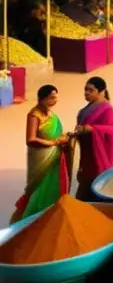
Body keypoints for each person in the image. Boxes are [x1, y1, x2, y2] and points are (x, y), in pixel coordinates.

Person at [12, 85, 72, 222]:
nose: (55, 100)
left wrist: (66, 138)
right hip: (41, 160)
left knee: (53, 188)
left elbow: (56, 134)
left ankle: (51, 218)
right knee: (38, 188)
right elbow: (31, 139)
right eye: (51, 97)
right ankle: (32, 220)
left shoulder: (52, 115)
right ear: (42, 98)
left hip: (55, 159)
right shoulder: (34, 115)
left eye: (56, 97)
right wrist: (55, 142)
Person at [74, 76, 113, 200]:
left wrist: (92, 129)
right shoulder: (86, 109)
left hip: (99, 157)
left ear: (101, 91)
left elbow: (112, 130)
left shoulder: (107, 109)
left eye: (90, 90)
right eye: (85, 90)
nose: (86, 93)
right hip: (88, 155)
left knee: (95, 188)